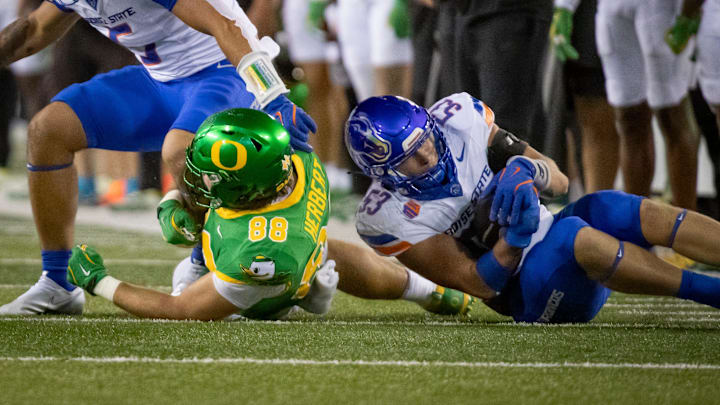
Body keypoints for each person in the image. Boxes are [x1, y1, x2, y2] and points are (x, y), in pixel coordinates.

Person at [0, 0, 317, 315]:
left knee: (180, 150)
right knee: (47, 130)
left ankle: (204, 260)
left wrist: (271, 94)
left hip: (226, 69)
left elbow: (225, 25)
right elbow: (33, 31)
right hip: (160, 79)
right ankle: (57, 283)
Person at [66, 108, 475, 320]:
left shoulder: (261, 252)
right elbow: (231, 169)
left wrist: (101, 283)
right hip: (303, 247)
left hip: (266, 291)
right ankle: (430, 290)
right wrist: (174, 200)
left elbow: (182, 311)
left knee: (184, 290)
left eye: (206, 176)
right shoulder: (297, 162)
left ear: (244, 188)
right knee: (327, 250)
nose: (195, 178)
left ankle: (308, 299)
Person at [345, 94, 720, 323]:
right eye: (412, 156)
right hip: (526, 290)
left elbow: (559, 181)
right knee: (575, 237)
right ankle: (710, 292)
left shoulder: (459, 118)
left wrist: (528, 170)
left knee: (614, 205)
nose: (428, 153)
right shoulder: (384, 214)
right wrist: (514, 238)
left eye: (426, 138)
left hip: (551, 228)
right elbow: (477, 283)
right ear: (383, 172)